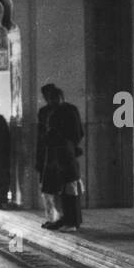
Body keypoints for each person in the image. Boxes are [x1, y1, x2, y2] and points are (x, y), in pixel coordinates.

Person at [40, 86, 85, 231]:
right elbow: (79, 133)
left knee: (68, 191)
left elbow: (50, 136)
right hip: (67, 153)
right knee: (69, 190)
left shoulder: (57, 113)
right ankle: (70, 220)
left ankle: (70, 222)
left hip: (62, 154)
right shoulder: (70, 109)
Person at [35, 83, 62, 227]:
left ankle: (54, 218)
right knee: (52, 187)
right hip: (52, 153)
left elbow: (41, 136)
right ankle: (56, 218)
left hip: (50, 153)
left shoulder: (46, 112)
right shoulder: (48, 111)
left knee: (49, 187)